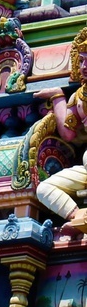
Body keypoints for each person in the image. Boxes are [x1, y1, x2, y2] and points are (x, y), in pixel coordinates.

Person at [36, 28, 87, 231]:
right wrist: (58, 97)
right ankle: (79, 217)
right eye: (82, 61)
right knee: (44, 188)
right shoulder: (79, 97)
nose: (85, 66)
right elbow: (68, 133)